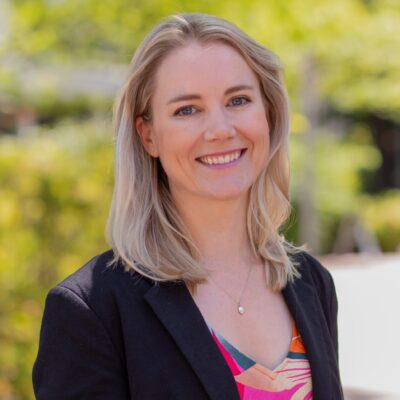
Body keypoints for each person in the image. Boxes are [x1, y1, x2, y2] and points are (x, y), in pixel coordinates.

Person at [32, 13, 343, 399]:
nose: (220, 130)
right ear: (148, 136)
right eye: (187, 110)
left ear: (269, 113)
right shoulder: (91, 310)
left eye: (239, 100)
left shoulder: (310, 282)